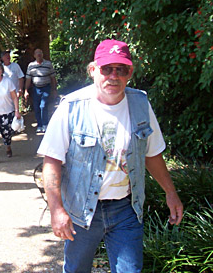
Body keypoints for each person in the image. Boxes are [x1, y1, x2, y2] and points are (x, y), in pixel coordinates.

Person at [37, 39, 183, 273]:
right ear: (94, 70)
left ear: (130, 73)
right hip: (83, 211)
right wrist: (56, 210)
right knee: (76, 269)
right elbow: (52, 160)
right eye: (106, 69)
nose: (113, 76)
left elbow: (152, 154)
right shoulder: (72, 107)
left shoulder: (140, 104)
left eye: (121, 69)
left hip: (126, 209)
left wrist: (171, 193)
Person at [24, 48, 57, 133]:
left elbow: (53, 77)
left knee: (43, 105)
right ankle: (39, 125)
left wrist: (54, 89)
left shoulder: (48, 64)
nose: (39, 54)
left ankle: (45, 124)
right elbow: (28, 79)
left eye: (40, 53)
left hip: (46, 87)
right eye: (37, 53)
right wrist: (26, 90)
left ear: (42, 54)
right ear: (34, 55)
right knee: (37, 107)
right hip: (36, 88)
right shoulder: (31, 65)